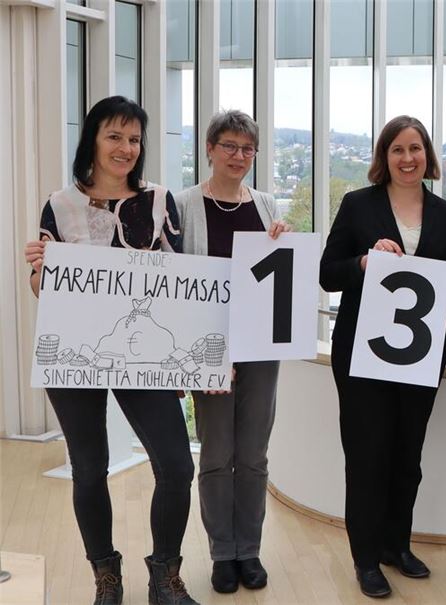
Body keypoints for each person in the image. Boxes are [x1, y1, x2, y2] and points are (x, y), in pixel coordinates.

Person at [23, 96, 199, 605]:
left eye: (134, 139)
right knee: (89, 467)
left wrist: (184, 355)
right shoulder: (60, 204)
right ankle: (106, 576)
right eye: (114, 136)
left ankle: (165, 574)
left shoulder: (160, 201)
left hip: (147, 348)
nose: (126, 148)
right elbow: (44, 288)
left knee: (175, 464)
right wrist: (39, 268)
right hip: (76, 351)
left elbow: (179, 279)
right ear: (93, 142)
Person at [319, 115, 446, 599]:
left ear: (428, 156)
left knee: (408, 456)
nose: (408, 158)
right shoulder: (358, 205)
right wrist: (363, 261)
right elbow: (327, 273)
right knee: (367, 457)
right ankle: (365, 560)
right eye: (398, 149)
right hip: (363, 355)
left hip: (421, 356)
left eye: (416, 149)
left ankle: (396, 546)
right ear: (384, 157)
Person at [175, 110, 289, 594]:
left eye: (247, 149)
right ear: (209, 148)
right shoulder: (182, 206)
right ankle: (223, 552)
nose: (239, 156)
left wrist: (285, 242)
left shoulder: (267, 204)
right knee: (217, 453)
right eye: (229, 146)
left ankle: (250, 551)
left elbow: (279, 272)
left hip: (261, 345)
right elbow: (172, 281)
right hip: (209, 347)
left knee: (255, 455)